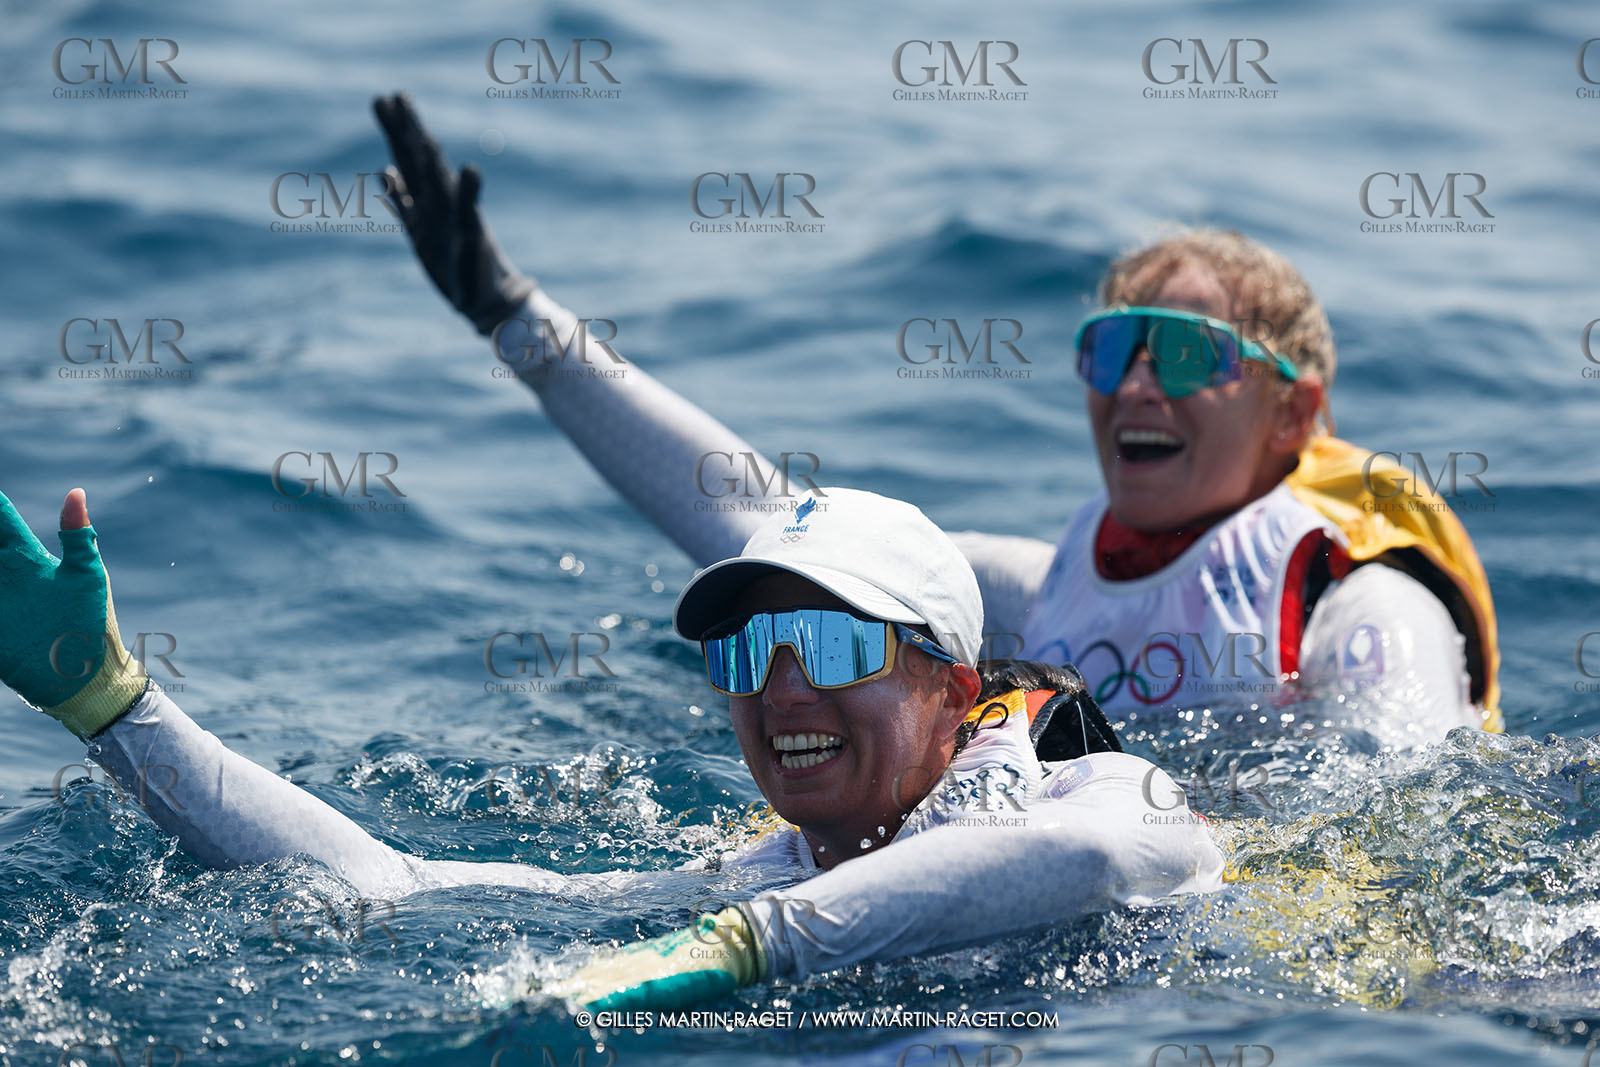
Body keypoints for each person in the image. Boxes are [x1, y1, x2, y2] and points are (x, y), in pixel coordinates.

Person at [370, 93, 1503, 745]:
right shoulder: (1040, 584)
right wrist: (513, 319)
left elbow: (1400, 826)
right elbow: (771, 530)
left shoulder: (1360, 598)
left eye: (1191, 353)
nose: (1136, 385)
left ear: (1294, 409)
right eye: (1110, 349)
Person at [0, 485, 1222, 1010]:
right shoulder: (761, 870)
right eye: (745, 651)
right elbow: (400, 888)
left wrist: (744, 949)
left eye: (833, 643)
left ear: (955, 687)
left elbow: (1087, 863)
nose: (780, 684)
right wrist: (112, 705)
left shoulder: (1100, 782)